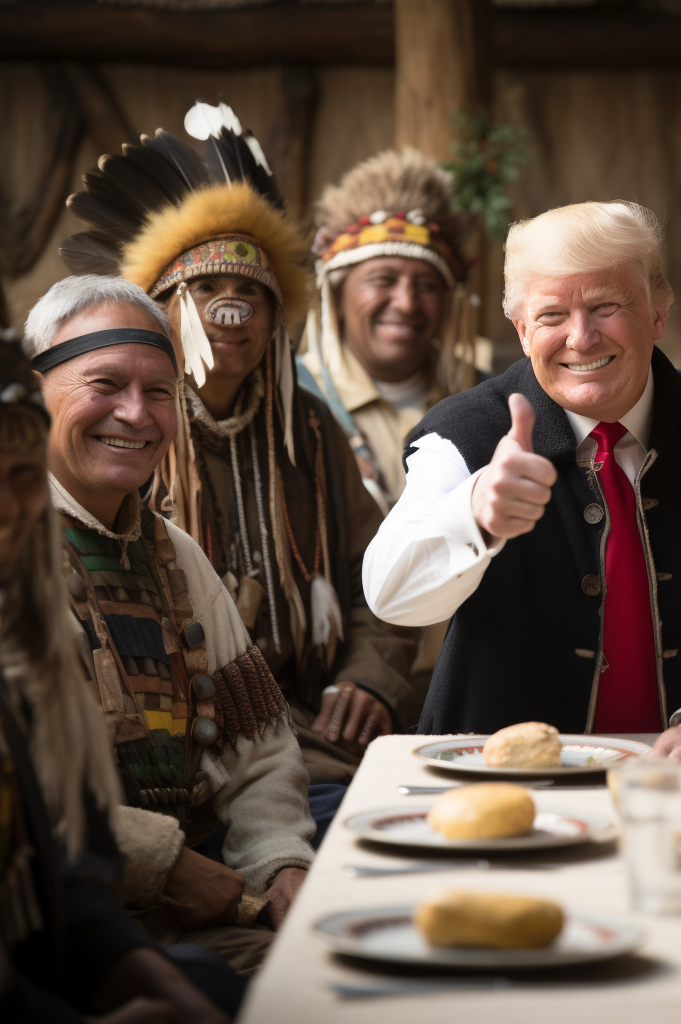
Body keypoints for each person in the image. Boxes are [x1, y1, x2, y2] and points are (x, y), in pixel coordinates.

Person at [59, 104, 418, 819]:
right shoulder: (127, 433)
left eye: (253, 292)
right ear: (163, 310)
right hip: (177, 736)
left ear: (276, 317)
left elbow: (386, 571)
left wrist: (370, 678)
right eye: (207, 290)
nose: (233, 309)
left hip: (309, 726)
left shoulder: (307, 431)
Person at [363, 200, 681, 744]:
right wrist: (475, 513)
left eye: (606, 306)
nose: (581, 338)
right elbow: (390, 595)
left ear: (659, 312)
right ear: (521, 330)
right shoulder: (464, 434)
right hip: (497, 791)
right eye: (552, 315)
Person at [25, 276, 316, 972]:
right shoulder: (16, 546)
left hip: (191, 905)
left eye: (159, 391)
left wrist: (280, 863)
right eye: (105, 384)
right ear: (34, 393)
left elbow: (260, 749)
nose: (136, 413)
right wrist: (156, 862)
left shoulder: (173, 554)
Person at [0, 337, 236, 1023]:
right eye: (107, 385)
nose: (10, 508)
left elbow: (61, 881)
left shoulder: (22, 642)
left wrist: (137, 974)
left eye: (20, 477)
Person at [300, 147, 481, 698]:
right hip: (340, 703)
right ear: (335, 290)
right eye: (382, 279)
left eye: (427, 284)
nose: (406, 301)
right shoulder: (292, 405)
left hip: (469, 689)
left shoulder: (488, 404)